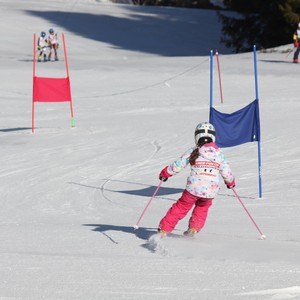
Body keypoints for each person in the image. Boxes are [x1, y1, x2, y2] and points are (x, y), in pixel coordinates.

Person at [157, 122, 235, 238]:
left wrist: (165, 173)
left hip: (193, 188)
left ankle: (164, 229)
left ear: (197, 136)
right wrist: (231, 183)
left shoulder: (193, 151)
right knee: (202, 208)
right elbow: (226, 172)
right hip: (210, 191)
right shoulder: (219, 154)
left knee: (181, 207)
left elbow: (178, 165)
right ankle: (194, 228)